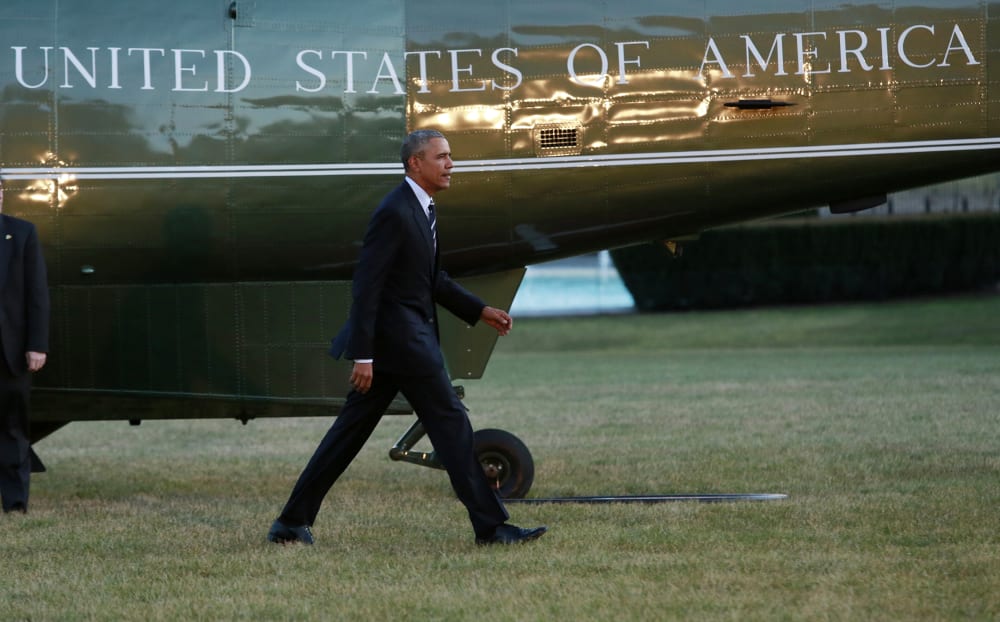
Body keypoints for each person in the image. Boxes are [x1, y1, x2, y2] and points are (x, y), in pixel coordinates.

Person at [267, 130, 546, 546]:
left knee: (347, 435)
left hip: (401, 345)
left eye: (450, 157)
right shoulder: (395, 212)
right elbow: (367, 285)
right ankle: (492, 528)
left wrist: (480, 310)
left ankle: (290, 523)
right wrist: (363, 354)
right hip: (402, 344)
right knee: (452, 424)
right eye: (442, 157)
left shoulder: (424, 208)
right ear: (416, 163)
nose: (451, 164)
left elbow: (431, 279)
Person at [0, 176, 50, 514]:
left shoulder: (21, 233)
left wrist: (37, 345)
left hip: (10, 352)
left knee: (12, 428)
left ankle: (15, 503)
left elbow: (37, 295)